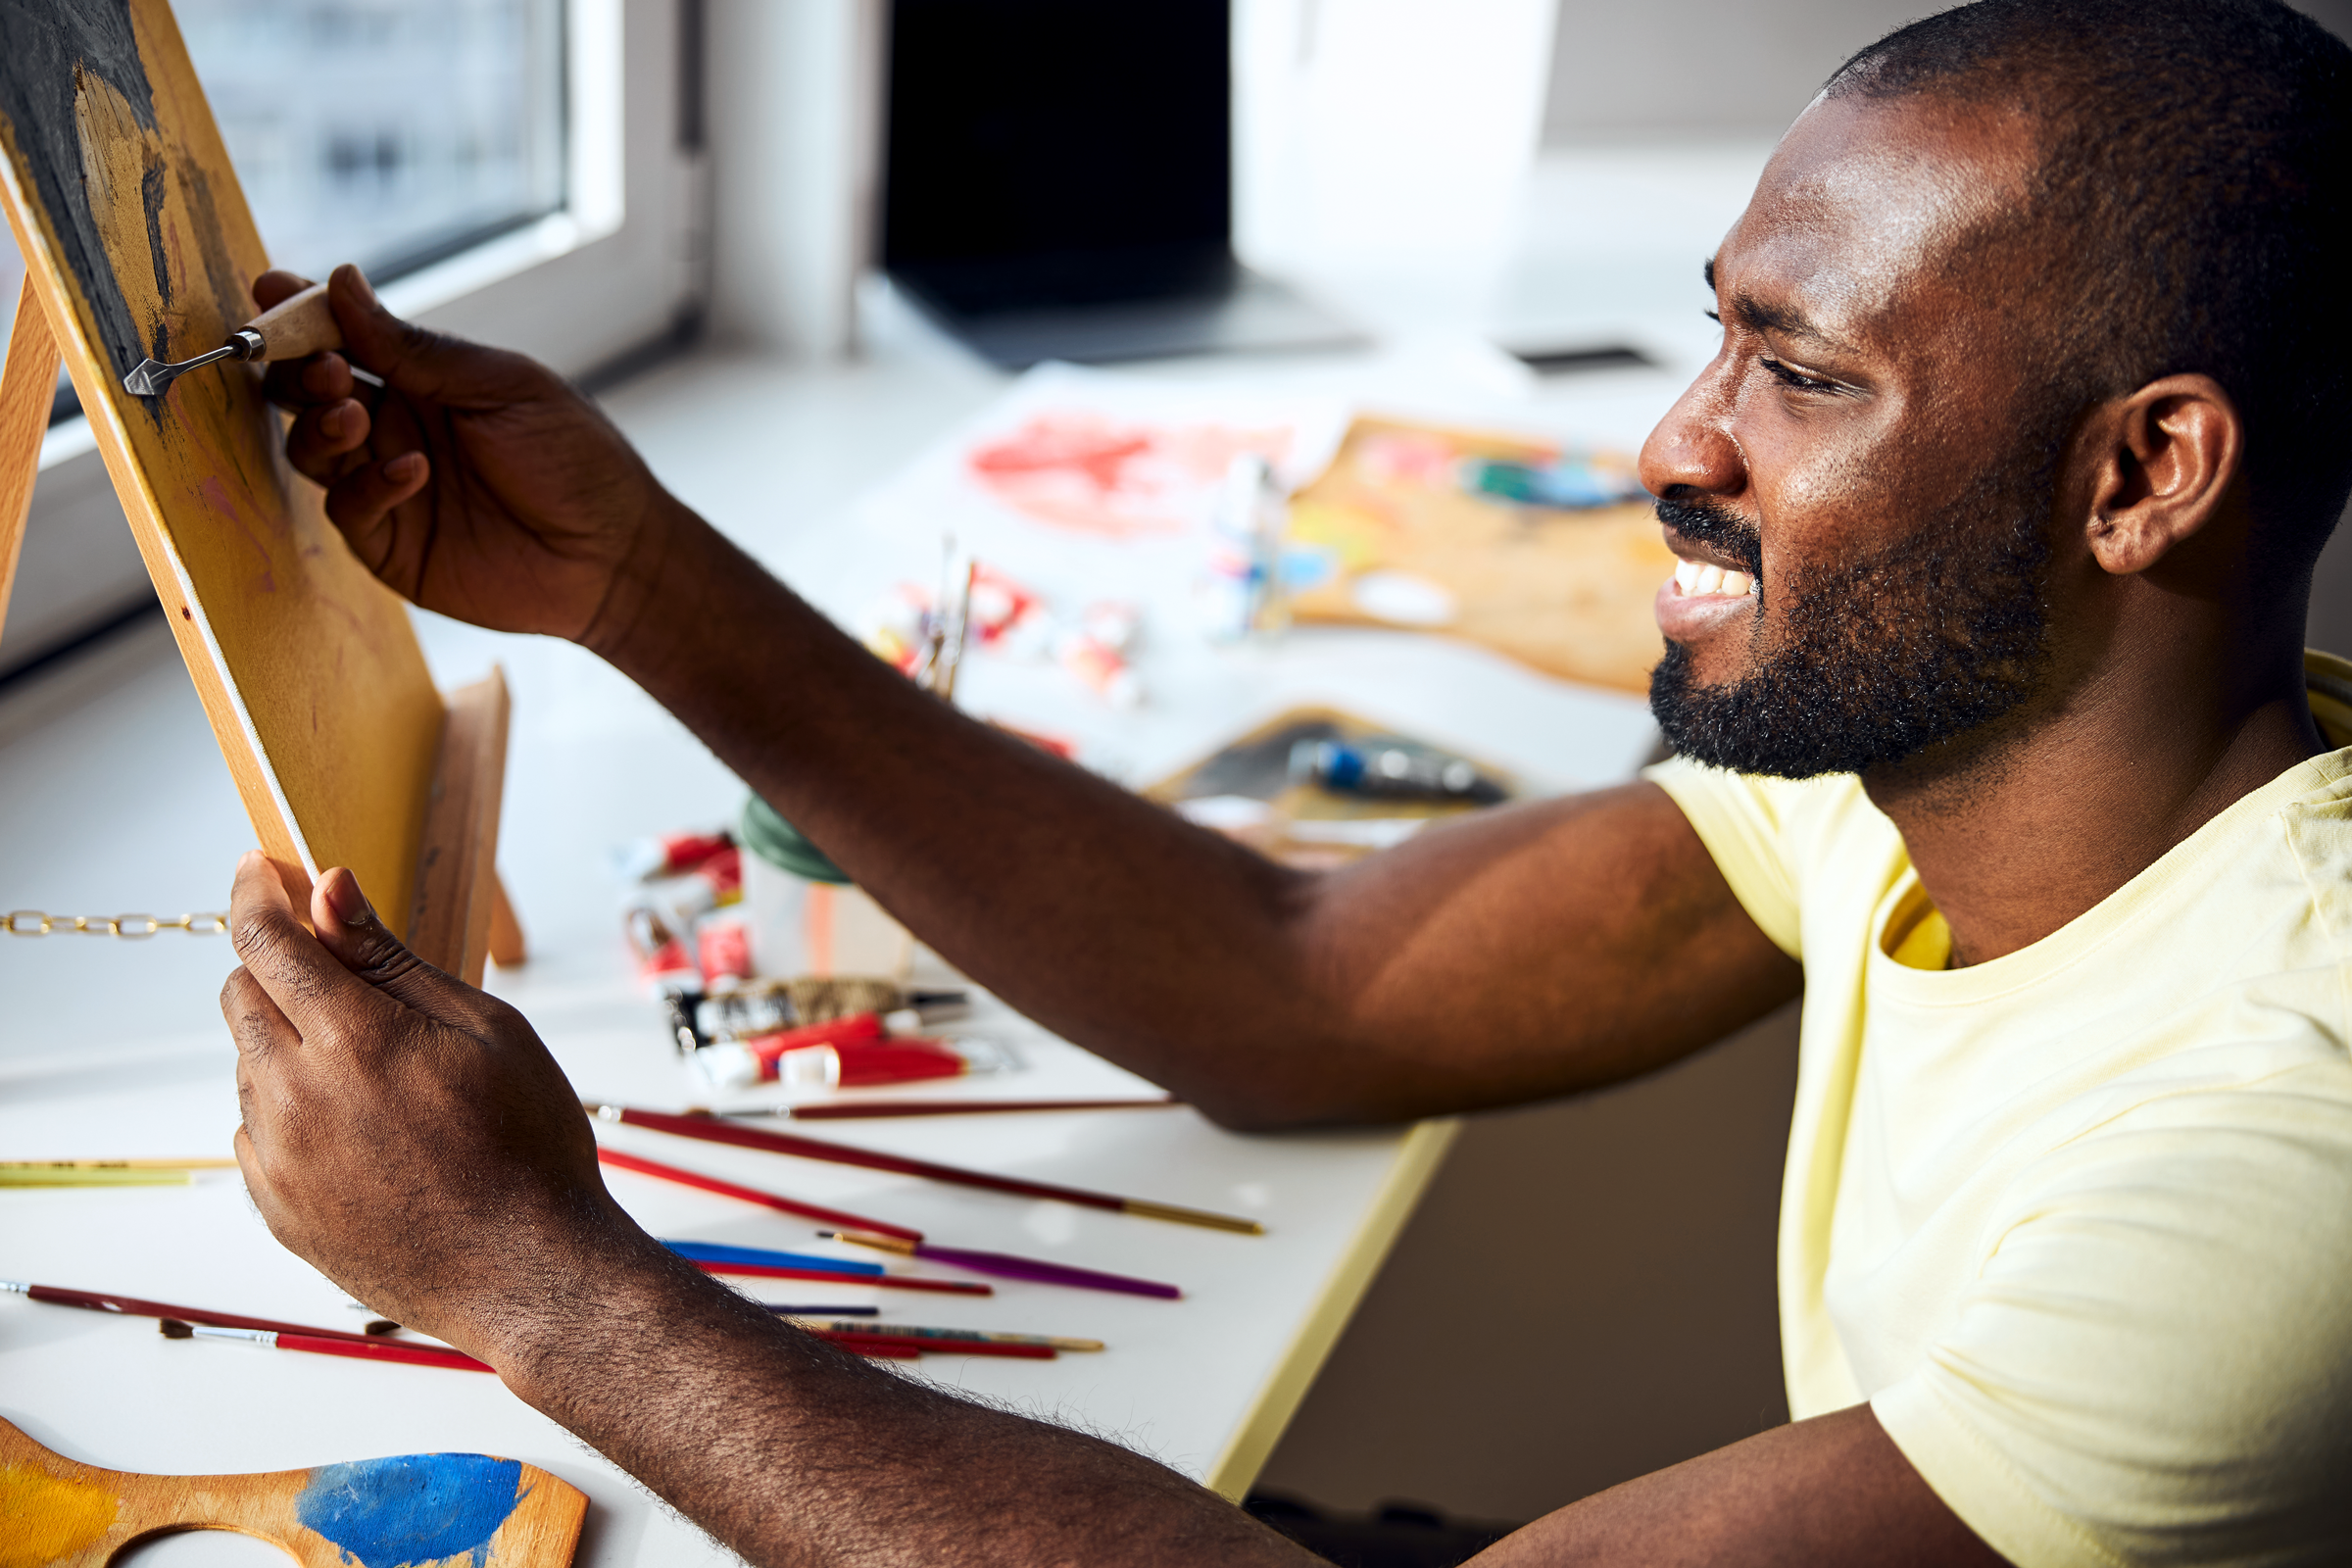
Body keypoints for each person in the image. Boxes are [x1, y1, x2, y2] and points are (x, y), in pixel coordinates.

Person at [218, 0, 2352, 1561]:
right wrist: (639, 577)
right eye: (1717, 340)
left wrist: (537, 1275)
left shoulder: (2276, 1161)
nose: (1674, 445)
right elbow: (1293, 978)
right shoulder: (1933, 755)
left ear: (2139, 476)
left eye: (1800, 375)